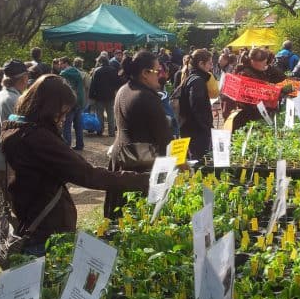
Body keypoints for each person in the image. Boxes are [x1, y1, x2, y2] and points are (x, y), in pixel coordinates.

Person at [0, 74, 149, 256]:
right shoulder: (38, 139)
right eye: (61, 113)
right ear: (48, 108)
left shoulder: (16, 130)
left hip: (30, 221)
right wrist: (144, 180)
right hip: (46, 231)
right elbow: (87, 174)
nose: (63, 119)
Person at [105, 51, 174, 217]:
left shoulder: (124, 89)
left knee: (118, 217)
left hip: (121, 158)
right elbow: (165, 139)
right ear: (145, 73)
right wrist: (180, 162)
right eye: (158, 71)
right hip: (139, 167)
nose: (161, 75)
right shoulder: (147, 97)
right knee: (136, 218)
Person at [0, 60, 30, 194]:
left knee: (10, 204)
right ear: (24, 78)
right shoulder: (14, 100)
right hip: (9, 163)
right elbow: (22, 134)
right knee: (20, 206)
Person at [230, 48, 285, 130]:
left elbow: (285, 80)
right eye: (263, 62)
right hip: (249, 116)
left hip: (264, 114)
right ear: (254, 61)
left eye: (266, 61)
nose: (265, 64)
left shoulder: (266, 70)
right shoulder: (244, 73)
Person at [179, 49, 214, 159]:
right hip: (197, 132)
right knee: (199, 163)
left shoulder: (191, 78)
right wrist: (207, 127)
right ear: (201, 64)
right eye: (209, 63)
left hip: (191, 130)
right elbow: (197, 107)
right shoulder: (197, 81)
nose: (211, 66)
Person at [89, 55, 121, 137]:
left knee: (99, 114)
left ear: (100, 62)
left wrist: (91, 96)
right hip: (110, 95)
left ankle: (100, 131)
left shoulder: (96, 71)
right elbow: (117, 83)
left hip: (99, 96)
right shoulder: (113, 70)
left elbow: (93, 85)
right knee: (111, 114)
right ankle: (112, 132)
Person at [59, 57, 85, 151]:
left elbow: (63, 89)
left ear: (66, 63)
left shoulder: (63, 74)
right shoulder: (78, 72)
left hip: (70, 101)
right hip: (80, 101)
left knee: (67, 124)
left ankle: (67, 147)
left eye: (61, 63)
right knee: (78, 125)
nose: (59, 65)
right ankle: (80, 145)